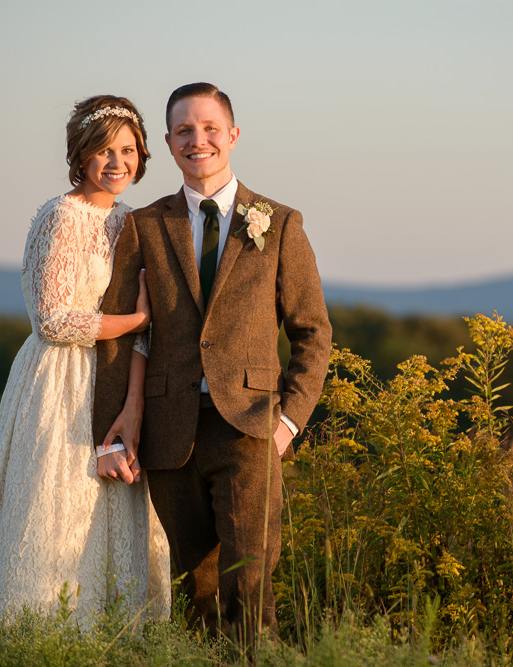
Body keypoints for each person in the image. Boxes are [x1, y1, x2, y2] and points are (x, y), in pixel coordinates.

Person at [93, 82, 332, 641]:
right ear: (171, 146)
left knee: (249, 585)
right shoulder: (144, 225)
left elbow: (313, 332)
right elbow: (116, 338)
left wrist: (288, 422)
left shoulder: (280, 222)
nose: (196, 140)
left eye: (208, 129)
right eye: (183, 131)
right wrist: (109, 436)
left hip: (250, 428)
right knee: (192, 592)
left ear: (232, 136)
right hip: (169, 433)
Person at [0, 95, 170, 626]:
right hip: (59, 381)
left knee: (114, 512)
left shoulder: (134, 223)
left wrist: (134, 391)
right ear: (80, 155)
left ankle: (113, 637)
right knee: (54, 513)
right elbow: (52, 319)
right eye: (103, 150)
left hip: (116, 380)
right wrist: (135, 323)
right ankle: (36, 632)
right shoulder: (61, 216)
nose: (117, 162)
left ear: (142, 155)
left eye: (128, 150)